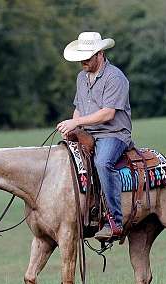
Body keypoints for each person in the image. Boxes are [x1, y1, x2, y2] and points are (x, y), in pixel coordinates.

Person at [57, 31, 133, 242]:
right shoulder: (82, 77)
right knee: (65, 159)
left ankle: (115, 222)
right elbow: (79, 109)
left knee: (102, 162)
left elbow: (108, 114)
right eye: (81, 58)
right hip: (89, 132)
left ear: (100, 54)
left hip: (114, 133)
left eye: (88, 57)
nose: (83, 62)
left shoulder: (115, 77)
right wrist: (71, 127)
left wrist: (77, 123)